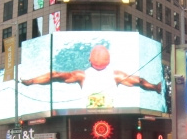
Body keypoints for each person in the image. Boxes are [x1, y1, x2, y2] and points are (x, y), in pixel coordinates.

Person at [20, 45, 162, 110]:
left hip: (88, 111)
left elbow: (55, 75)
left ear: (89, 59)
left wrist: (31, 81)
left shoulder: (82, 75)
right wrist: (155, 87)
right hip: (111, 110)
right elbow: (140, 81)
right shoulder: (117, 75)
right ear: (109, 60)